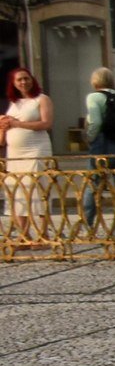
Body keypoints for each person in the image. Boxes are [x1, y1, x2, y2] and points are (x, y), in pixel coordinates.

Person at [79, 66, 115, 237]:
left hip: (103, 146)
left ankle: (87, 226)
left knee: (93, 185)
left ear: (94, 81)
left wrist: (89, 138)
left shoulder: (94, 97)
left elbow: (96, 122)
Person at [2, 66, 55, 241]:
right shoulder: (14, 103)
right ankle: (24, 235)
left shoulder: (41, 99)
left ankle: (43, 234)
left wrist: (18, 124)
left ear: (32, 80)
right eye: (19, 80)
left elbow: (46, 123)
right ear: (14, 83)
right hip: (15, 154)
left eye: (26, 78)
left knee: (38, 191)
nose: (24, 82)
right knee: (18, 192)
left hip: (36, 149)